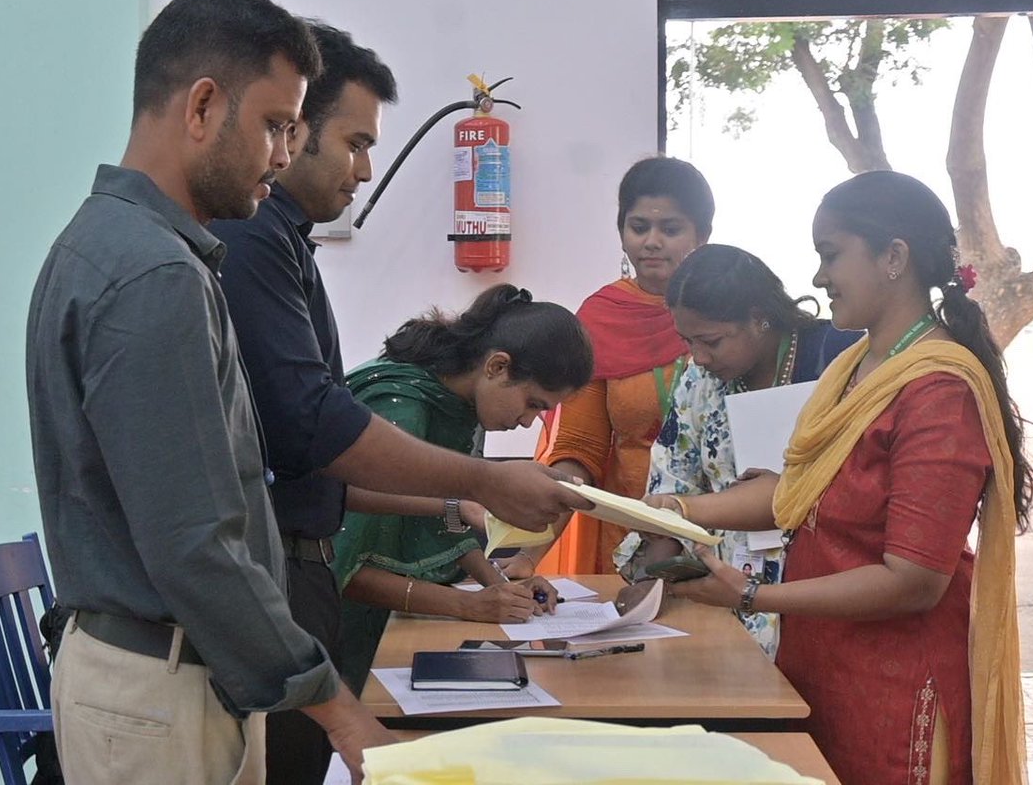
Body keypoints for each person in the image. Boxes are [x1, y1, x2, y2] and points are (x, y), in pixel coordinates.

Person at [25, 0, 585, 784]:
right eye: (274, 127)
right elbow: (197, 543)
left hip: (177, 669)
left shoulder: (115, 245)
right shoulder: (154, 273)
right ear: (202, 107)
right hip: (163, 684)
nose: (283, 156)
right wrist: (338, 707)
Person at [207, 22, 590, 785]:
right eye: (352, 144)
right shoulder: (250, 243)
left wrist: (482, 561)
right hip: (283, 582)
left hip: (297, 576)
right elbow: (311, 429)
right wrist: (478, 489)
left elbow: (321, 455)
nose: (364, 170)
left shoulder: (286, 243)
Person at [670, 171, 1033, 784]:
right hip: (821, 665)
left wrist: (754, 597)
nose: (817, 278)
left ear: (894, 257)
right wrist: (677, 510)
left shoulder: (937, 390)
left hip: (896, 685)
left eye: (830, 254)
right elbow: (798, 495)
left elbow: (914, 580)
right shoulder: (854, 367)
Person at [333, 284, 593, 694]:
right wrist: (467, 604)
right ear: (497, 367)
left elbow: (443, 520)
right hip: (345, 638)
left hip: (399, 622)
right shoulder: (401, 406)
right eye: (533, 404)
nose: (529, 423)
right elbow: (342, 564)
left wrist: (501, 588)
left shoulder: (463, 406)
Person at [613, 244, 860, 658]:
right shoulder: (699, 379)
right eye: (688, 340)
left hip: (823, 593)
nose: (698, 356)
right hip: (726, 597)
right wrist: (649, 580)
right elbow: (675, 476)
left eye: (711, 340)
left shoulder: (835, 358)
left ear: (758, 318)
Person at [502, 156, 714, 577]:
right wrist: (528, 558)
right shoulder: (602, 319)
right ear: (621, 234)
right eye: (638, 227)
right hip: (629, 541)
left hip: (721, 539)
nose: (652, 241)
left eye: (670, 229)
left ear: (702, 235)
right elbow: (580, 450)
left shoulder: (732, 315)